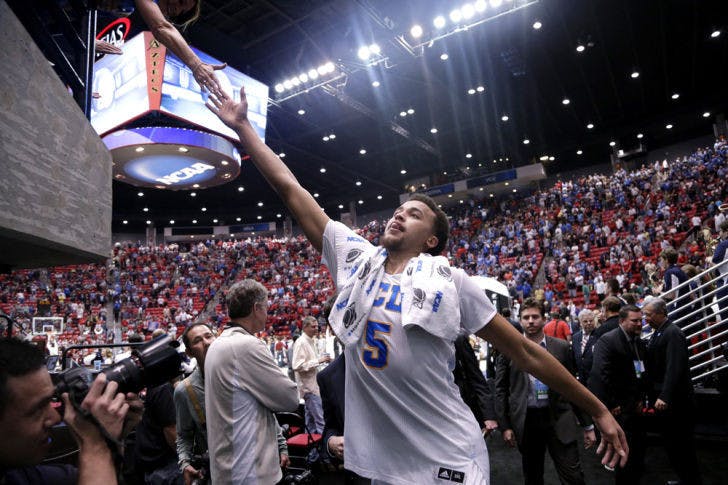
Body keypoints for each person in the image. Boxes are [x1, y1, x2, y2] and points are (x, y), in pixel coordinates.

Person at [206, 88, 628, 484]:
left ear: (431, 240)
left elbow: (524, 351)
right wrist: (243, 129)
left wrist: (597, 408)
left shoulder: (452, 280)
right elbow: (290, 189)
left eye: (413, 214)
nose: (399, 215)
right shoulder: (357, 261)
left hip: (450, 454)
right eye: (398, 209)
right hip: (388, 464)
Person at [0, 337, 137, 485]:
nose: (55, 418)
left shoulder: (21, 473)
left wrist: (114, 443)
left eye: (50, 401)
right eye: (36, 410)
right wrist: (97, 445)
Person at [204, 279, 299, 484]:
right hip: (249, 471)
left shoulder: (218, 344)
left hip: (228, 468)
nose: (267, 313)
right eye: (266, 307)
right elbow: (290, 398)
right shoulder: (246, 345)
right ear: (256, 308)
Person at [495, 298, 595, 485]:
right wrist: (505, 425)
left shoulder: (561, 347)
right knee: (533, 477)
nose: (530, 321)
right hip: (527, 420)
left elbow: (573, 386)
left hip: (558, 417)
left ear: (543, 319)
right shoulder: (508, 349)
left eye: (535, 316)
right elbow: (500, 389)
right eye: (526, 317)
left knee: (573, 477)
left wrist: (587, 425)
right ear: (520, 320)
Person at [96, 0, 225, 95]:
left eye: (182, 11)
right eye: (181, 1)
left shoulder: (128, 14)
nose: (177, 10)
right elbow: (161, 27)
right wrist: (197, 65)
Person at [643, 298, 702, 485]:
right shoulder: (659, 332)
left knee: (682, 446)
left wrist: (664, 396)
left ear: (661, 313)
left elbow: (674, 368)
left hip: (677, 403)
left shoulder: (673, 333)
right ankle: (684, 478)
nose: (646, 319)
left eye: (649, 315)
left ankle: (691, 480)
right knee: (673, 446)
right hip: (668, 403)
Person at [588, 305, 647, 485]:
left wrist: (640, 398)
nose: (639, 324)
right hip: (618, 409)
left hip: (634, 407)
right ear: (622, 321)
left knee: (637, 455)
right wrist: (610, 404)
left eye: (640, 320)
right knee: (624, 458)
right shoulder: (608, 340)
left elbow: (641, 371)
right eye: (635, 321)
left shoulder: (637, 341)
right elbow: (600, 376)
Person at [175, 322, 215, 485]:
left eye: (209, 336)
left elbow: (263, 414)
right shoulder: (185, 391)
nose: (206, 342)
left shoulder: (243, 375)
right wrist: (185, 463)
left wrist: (281, 446)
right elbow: (183, 436)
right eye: (198, 340)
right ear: (189, 353)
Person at [292, 316, 331, 434]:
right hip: (310, 389)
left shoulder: (310, 341)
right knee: (320, 422)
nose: (316, 329)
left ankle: (312, 452)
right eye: (313, 327)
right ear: (305, 327)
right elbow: (297, 366)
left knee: (311, 424)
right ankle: (324, 450)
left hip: (312, 387)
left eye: (317, 327)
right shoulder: (301, 342)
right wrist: (319, 361)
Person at [571, 309, 596, 382]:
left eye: (591, 321)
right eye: (585, 321)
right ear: (580, 323)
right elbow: (574, 357)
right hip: (581, 378)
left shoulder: (599, 335)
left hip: (595, 378)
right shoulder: (575, 337)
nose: (589, 323)